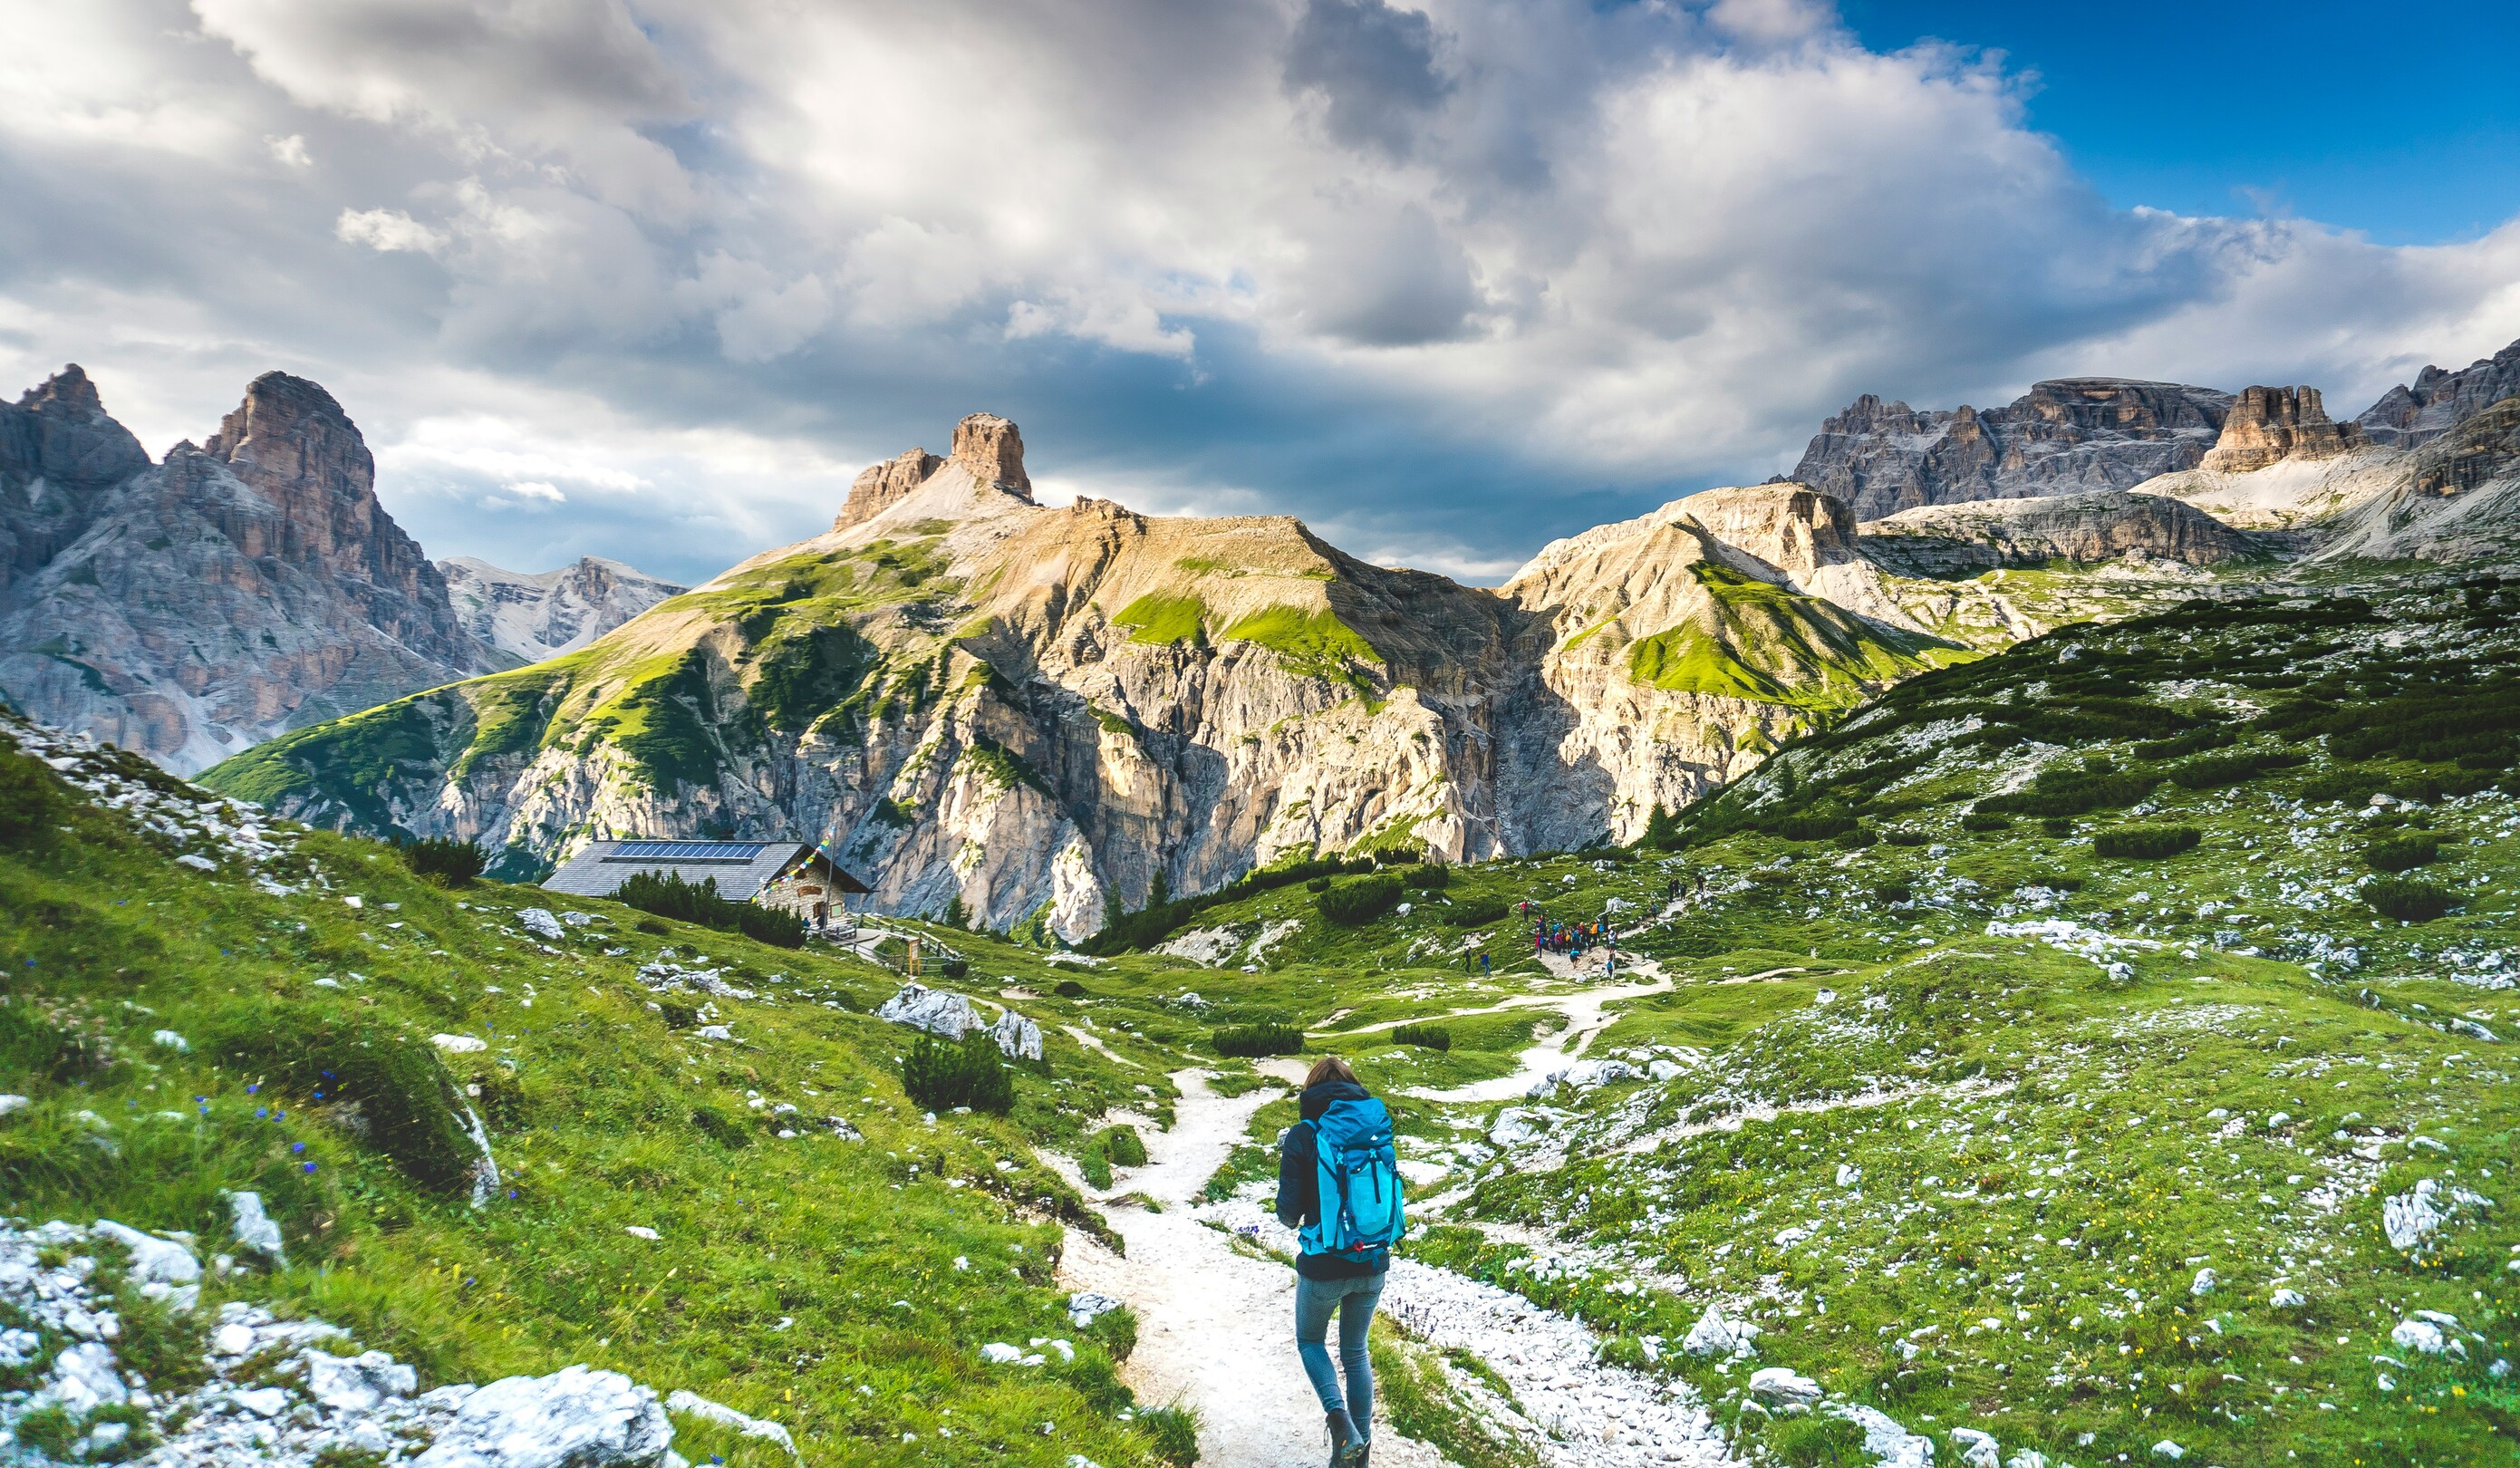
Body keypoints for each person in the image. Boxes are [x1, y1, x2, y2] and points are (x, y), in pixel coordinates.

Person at [1277, 1056, 1401, 1467]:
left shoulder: (1303, 1135)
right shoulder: (1373, 1128)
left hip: (1324, 1265)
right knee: (1355, 1352)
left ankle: (1340, 1423)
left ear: (1311, 1090)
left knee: (1310, 1341)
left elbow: (1289, 1214)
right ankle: (1360, 1455)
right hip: (1372, 1261)